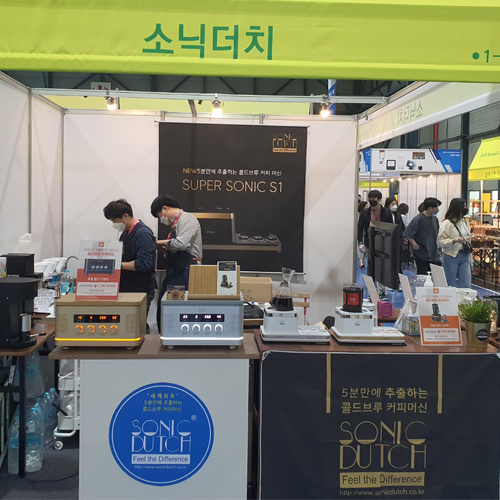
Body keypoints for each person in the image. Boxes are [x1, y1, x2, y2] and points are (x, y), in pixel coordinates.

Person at [150, 195, 202, 330]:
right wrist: (165, 248)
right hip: (176, 269)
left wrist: (161, 242)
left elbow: (181, 244)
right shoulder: (176, 224)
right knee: (165, 305)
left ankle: (176, 335)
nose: (161, 220)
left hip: (186, 269)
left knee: (178, 307)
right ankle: (164, 335)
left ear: (165, 208)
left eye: (160, 216)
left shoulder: (187, 219)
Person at [103, 199, 156, 325]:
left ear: (126, 216)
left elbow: (144, 263)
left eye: (114, 221)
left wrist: (117, 265)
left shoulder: (142, 233)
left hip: (139, 287)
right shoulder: (126, 233)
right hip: (126, 286)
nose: (114, 224)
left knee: (136, 325)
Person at [437, 198, 472, 288]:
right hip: (450, 256)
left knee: (466, 284)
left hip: (464, 255)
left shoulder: (465, 222)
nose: (466, 208)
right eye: (464, 206)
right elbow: (440, 242)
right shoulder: (447, 223)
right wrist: (454, 240)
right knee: (450, 284)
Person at [403, 197, 442, 274]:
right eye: (436, 207)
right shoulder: (418, 219)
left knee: (432, 274)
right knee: (422, 274)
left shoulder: (435, 219)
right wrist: (414, 244)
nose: (437, 209)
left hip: (433, 252)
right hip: (421, 252)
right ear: (430, 208)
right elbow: (408, 234)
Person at [357, 189, 393, 254]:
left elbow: (390, 227)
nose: (371, 200)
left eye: (373, 198)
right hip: (369, 241)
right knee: (369, 258)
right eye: (370, 198)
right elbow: (360, 228)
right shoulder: (365, 213)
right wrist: (360, 242)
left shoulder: (386, 212)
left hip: (383, 241)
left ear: (379, 199)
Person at [357, 201, 368, 268]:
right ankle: (361, 263)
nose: (367, 207)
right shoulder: (359, 215)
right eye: (366, 206)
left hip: (365, 234)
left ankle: (361, 262)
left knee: (363, 250)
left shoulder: (367, 214)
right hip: (361, 235)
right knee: (361, 249)